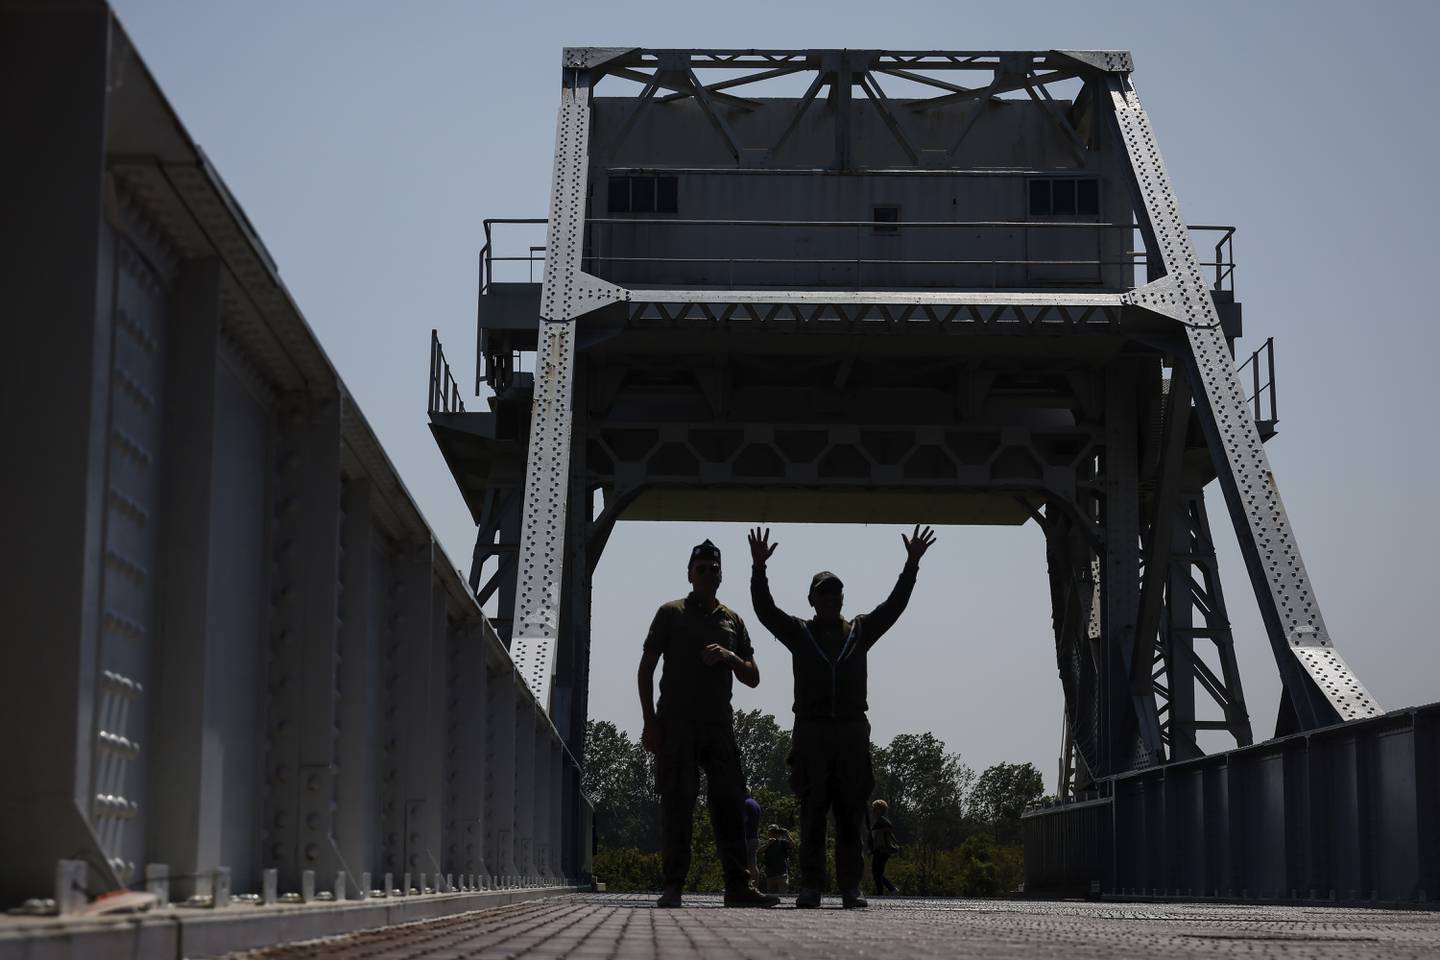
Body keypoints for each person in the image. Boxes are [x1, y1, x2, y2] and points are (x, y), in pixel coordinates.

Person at [748, 524, 937, 909]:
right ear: (812, 600)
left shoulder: (861, 631)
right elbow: (765, 611)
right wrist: (758, 569)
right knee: (813, 811)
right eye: (824, 593)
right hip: (812, 734)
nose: (831, 598)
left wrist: (911, 565)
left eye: (836, 592)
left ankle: (851, 886)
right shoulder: (800, 633)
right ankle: (812, 886)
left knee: (851, 813)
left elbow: (894, 607)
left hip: (851, 733)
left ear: (842, 597)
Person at [638, 539, 780, 909]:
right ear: (690, 574)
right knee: (677, 802)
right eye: (701, 568)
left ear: (720, 575)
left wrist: (730, 656)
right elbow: (646, 668)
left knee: (731, 805)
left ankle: (738, 886)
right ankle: (673, 885)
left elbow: (753, 677)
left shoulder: (732, 620)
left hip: (718, 724)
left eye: (713, 569)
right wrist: (650, 723)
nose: (707, 574)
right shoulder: (671, 613)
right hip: (677, 722)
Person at [869, 799, 900, 896]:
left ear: (880, 809)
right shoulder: (880, 821)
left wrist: (876, 847)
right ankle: (890, 889)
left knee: (877, 872)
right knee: (877, 872)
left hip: (882, 850)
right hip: (879, 850)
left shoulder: (882, 821)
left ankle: (883, 892)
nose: (873, 810)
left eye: (875, 808)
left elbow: (881, 836)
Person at [760, 825, 794, 894]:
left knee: (783, 895)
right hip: (770, 874)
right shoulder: (767, 844)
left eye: (775, 832)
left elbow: (792, 845)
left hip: (782, 873)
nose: (773, 834)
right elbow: (759, 852)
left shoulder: (782, 842)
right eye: (771, 832)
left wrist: (787, 835)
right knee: (771, 895)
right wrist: (768, 844)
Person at [743, 789, 763, 885]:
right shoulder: (755, 804)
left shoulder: (745, 803)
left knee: (742, 864)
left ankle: (743, 886)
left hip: (746, 837)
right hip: (754, 836)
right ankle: (755, 886)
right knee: (753, 864)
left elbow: (744, 819)